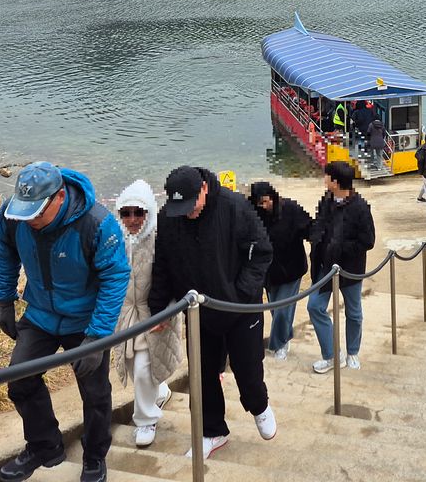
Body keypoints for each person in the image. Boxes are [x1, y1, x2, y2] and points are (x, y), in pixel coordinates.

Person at [0, 162, 130, 482]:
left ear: (58, 198)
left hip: (85, 320)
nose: (32, 221)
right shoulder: (14, 216)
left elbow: (115, 277)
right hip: (40, 313)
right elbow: (6, 252)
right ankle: (45, 446)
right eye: (26, 213)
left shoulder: (97, 223)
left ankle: (95, 455)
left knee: (95, 394)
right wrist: (4, 301)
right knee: (20, 382)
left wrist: (97, 338)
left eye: (38, 213)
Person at [148, 166, 275, 461]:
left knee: (248, 371)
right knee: (202, 377)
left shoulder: (235, 207)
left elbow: (262, 251)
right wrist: (158, 309)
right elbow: (163, 264)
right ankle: (213, 431)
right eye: (180, 207)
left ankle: (259, 406)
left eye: (191, 205)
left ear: (204, 189)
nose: (188, 213)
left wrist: (241, 293)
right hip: (198, 310)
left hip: (240, 307)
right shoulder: (170, 218)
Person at [113, 180, 182, 449]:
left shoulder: (161, 240)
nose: (132, 220)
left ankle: (146, 419)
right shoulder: (115, 239)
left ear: (149, 212)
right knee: (132, 363)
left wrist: (166, 312)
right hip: (127, 314)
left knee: (143, 370)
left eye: (138, 213)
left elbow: (174, 278)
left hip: (155, 314)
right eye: (126, 213)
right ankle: (160, 391)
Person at [307, 161, 376, 373]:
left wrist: (341, 247)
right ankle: (332, 354)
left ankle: (352, 352)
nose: (324, 179)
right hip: (324, 265)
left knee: (353, 312)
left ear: (335, 182)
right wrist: (317, 238)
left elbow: (368, 241)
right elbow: (319, 223)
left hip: (350, 268)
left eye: (327, 176)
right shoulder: (326, 200)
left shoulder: (360, 208)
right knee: (315, 306)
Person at [248, 181, 313, 361]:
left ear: (273, 197)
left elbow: (309, 228)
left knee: (283, 310)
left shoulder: (291, 209)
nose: (264, 206)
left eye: (267, 201)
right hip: (269, 273)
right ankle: (285, 336)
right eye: (260, 203)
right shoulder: (253, 216)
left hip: (292, 269)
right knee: (276, 310)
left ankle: (279, 344)